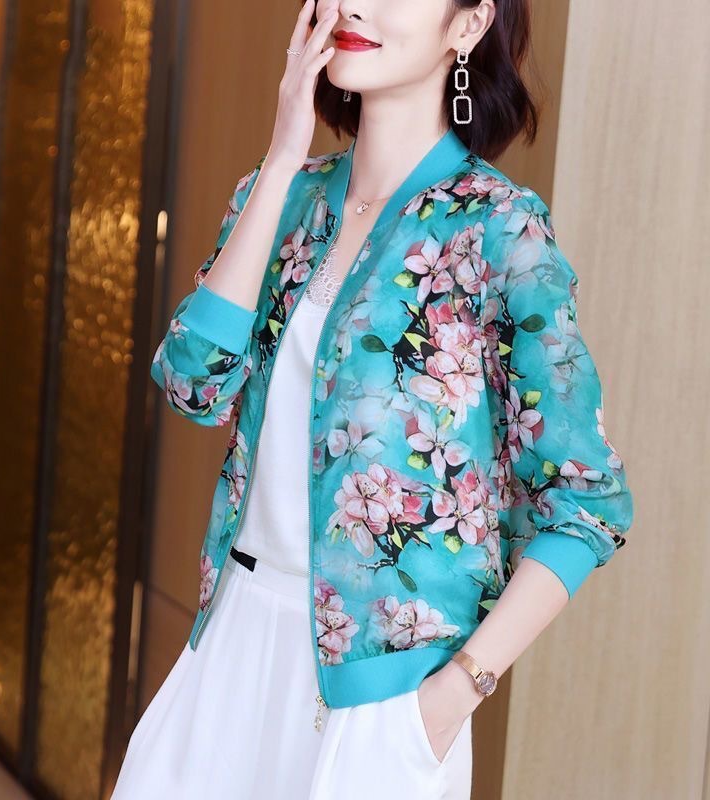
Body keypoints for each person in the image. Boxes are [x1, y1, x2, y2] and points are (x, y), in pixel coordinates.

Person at [110, 0, 634, 798]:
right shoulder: (284, 197)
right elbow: (193, 384)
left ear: (468, 25)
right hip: (231, 647)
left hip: (383, 701)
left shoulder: (499, 231)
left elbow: (587, 503)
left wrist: (453, 695)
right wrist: (282, 158)